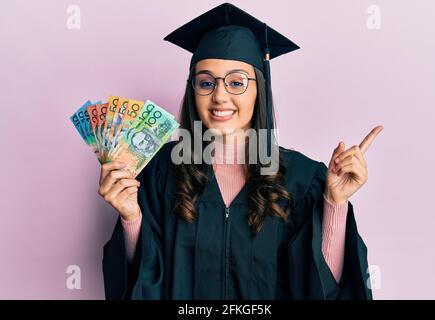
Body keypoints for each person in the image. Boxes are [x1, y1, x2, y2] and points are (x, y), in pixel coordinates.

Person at [99, 3, 382, 299]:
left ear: (260, 88)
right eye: (206, 82)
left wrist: (335, 203)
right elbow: (141, 282)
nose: (220, 96)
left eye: (236, 82)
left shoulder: (303, 179)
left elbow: (323, 287)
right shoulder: (159, 173)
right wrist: (131, 218)